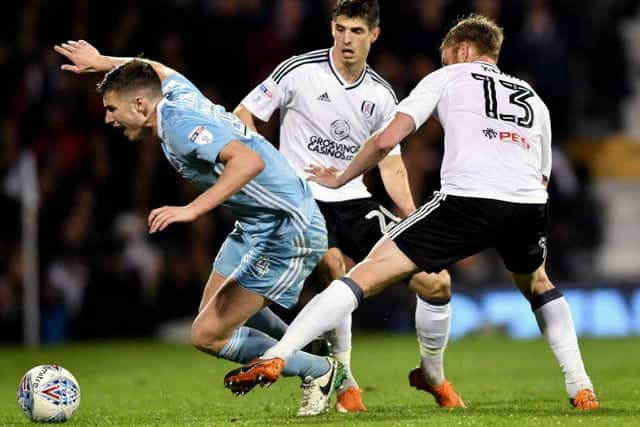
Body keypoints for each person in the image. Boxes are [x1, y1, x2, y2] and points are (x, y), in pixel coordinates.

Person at [225, 14, 601, 410]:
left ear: (463, 50)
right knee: (538, 284)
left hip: (465, 200)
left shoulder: (447, 77)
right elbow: (542, 179)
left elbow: (386, 141)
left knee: (362, 276)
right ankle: (580, 385)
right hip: (528, 204)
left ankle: (278, 355)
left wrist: (341, 177)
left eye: (445, 57)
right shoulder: (532, 97)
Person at [53, 40, 345, 416]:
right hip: (257, 223)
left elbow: (248, 161)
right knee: (216, 311)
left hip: (287, 227)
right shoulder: (173, 94)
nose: (108, 119)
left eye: (112, 109)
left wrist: (192, 209)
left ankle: (318, 369)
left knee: (207, 334)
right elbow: (157, 67)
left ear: (140, 106)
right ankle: (305, 345)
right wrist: (101, 62)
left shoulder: (178, 125)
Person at [233, 0, 461, 412]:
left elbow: (390, 162)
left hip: (356, 201)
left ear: (374, 34)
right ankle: (346, 384)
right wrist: (273, 171)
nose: (346, 40)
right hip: (304, 200)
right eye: (340, 29)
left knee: (436, 281)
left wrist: (412, 219)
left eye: (356, 31)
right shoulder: (299, 71)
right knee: (335, 267)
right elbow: (243, 114)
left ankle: (432, 375)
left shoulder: (380, 93)